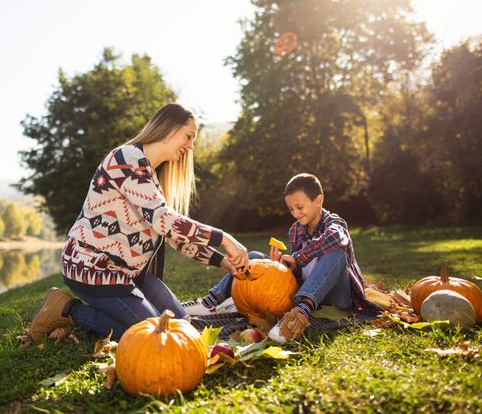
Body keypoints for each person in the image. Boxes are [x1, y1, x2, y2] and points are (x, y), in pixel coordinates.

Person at [27, 103, 250, 343]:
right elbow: (165, 221)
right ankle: (68, 309)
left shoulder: (150, 176)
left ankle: (114, 308)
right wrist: (224, 239)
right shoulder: (126, 159)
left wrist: (221, 261)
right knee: (156, 337)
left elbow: (172, 235)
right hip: (92, 269)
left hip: (130, 274)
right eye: (188, 136)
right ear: (169, 129)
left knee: (182, 325)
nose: (190, 145)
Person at [184, 173, 377, 341]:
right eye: (291, 209)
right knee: (253, 257)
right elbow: (302, 272)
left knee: (336, 252)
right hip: (310, 293)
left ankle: (298, 316)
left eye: (300, 207)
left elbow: (335, 239)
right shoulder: (296, 230)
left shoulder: (334, 223)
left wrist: (299, 257)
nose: (295, 214)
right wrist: (284, 268)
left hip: (337, 299)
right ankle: (211, 301)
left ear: (318, 200)